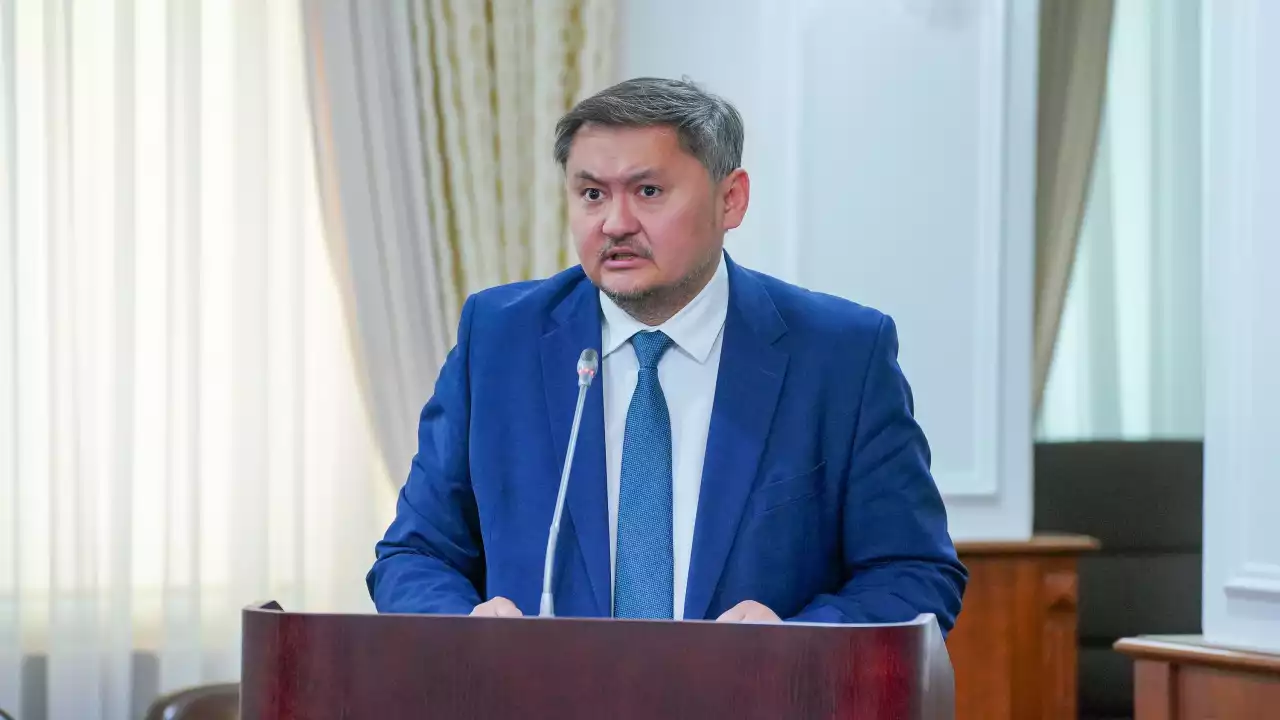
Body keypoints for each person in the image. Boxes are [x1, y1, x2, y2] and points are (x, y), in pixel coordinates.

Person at [367, 77, 966, 629]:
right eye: (592, 194)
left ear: (731, 200)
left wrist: (797, 643)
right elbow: (415, 554)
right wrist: (467, 629)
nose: (615, 223)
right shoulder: (500, 340)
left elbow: (914, 575)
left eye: (648, 191)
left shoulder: (840, 355)